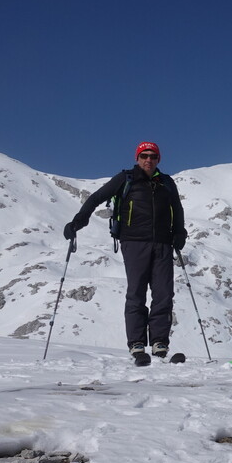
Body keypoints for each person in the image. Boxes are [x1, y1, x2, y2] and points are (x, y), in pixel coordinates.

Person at [63, 142, 187, 367]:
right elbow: (96, 198)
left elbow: (177, 209)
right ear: (137, 158)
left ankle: (159, 343)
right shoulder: (126, 178)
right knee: (136, 292)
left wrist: (180, 232)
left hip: (163, 243)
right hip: (134, 242)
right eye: (144, 156)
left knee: (164, 293)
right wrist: (77, 222)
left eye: (153, 156)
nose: (148, 160)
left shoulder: (167, 182)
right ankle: (137, 344)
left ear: (158, 159)